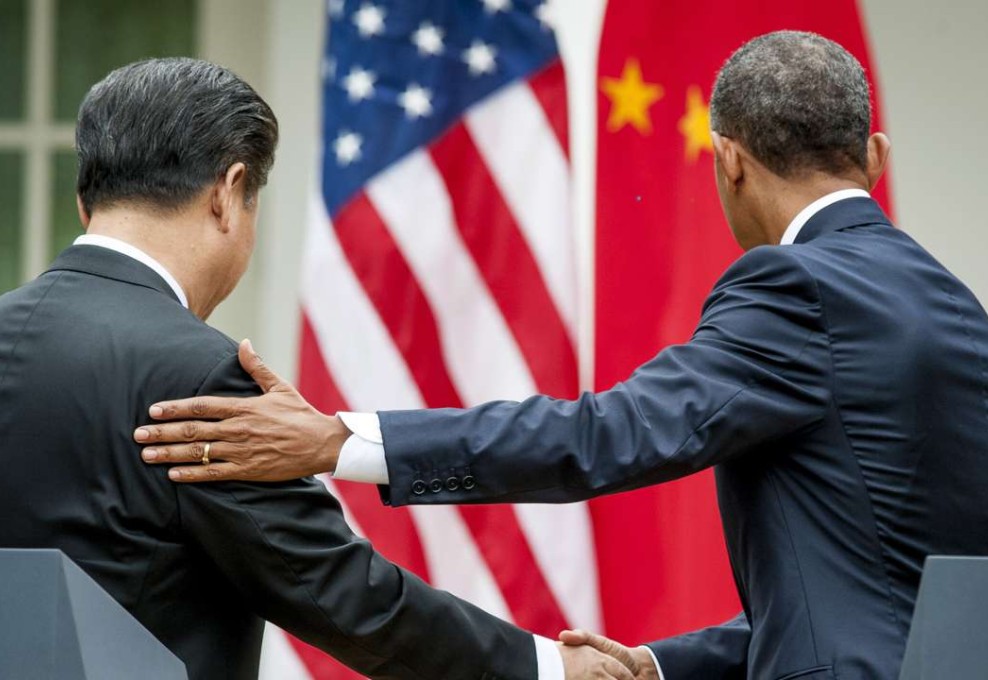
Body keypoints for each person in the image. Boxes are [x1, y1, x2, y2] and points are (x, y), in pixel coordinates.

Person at [135, 31, 988, 680]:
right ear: (875, 157)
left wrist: (338, 442)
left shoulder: (794, 286)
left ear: (728, 162)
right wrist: (662, 666)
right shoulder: (958, 308)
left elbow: (609, 434)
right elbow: (874, 583)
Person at [0, 58, 640, 680]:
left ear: (88, 201)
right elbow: (342, 595)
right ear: (229, 194)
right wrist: (549, 667)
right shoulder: (201, 377)